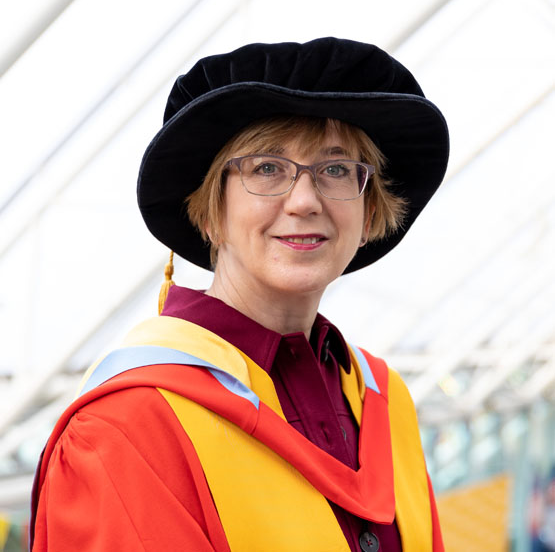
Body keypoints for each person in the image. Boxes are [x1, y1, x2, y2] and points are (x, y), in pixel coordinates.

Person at [30, 37, 449, 551]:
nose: (304, 200)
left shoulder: (384, 401)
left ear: (368, 214)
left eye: (336, 169)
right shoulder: (130, 425)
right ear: (210, 209)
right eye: (266, 168)